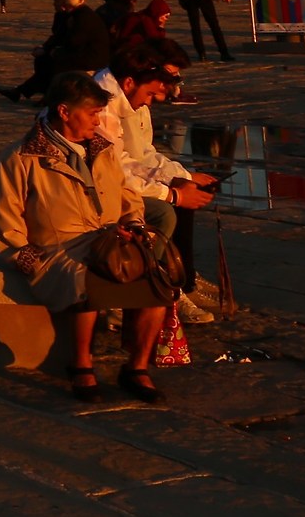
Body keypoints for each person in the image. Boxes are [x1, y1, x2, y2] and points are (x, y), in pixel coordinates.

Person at [0, 70, 175, 403]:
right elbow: (6, 220)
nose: (98, 121)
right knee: (84, 278)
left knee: (157, 282)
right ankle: (81, 363)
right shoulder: (21, 158)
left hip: (108, 238)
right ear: (64, 112)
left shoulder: (103, 150)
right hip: (57, 250)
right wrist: (26, 259)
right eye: (91, 113)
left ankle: (136, 367)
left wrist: (133, 226)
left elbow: (126, 195)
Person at [94, 37, 221, 324]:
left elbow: (142, 155)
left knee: (182, 192)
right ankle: (151, 286)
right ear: (131, 81)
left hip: (112, 180)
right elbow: (117, 171)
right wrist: (171, 193)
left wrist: (181, 178)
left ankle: (178, 279)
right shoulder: (105, 106)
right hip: (91, 190)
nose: (168, 90)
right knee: (165, 210)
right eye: (168, 78)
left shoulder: (131, 98)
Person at [1, 0, 109, 105]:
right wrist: (46, 49)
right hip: (83, 52)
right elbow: (60, 36)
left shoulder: (83, 17)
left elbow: (73, 41)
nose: (61, 7)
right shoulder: (76, 14)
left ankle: (48, 96)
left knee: (56, 64)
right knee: (44, 60)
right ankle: (22, 91)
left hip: (92, 57)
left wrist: (53, 51)